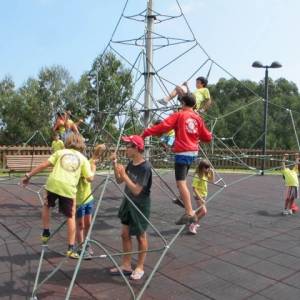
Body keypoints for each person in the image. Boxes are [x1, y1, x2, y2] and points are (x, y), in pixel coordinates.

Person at [141, 94, 212, 225]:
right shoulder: (197, 118)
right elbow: (207, 137)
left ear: (183, 103)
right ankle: (182, 198)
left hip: (183, 152)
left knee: (181, 183)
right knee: (183, 181)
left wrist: (146, 133)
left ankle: (189, 212)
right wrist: (202, 136)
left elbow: (163, 127)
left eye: (181, 102)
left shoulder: (180, 115)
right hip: (193, 153)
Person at [21, 133, 95, 259]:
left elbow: (44, 164)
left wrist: (29, 175)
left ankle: (45, 231)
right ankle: (70, 249)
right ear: (81, 144)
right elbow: (89, 178)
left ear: (67, 142)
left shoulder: (60, 152)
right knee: (70, 216)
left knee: (47, 205)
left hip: (53, 183)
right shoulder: (82, 159)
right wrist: (93, 168)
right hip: (68, 187)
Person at [109, 135, 152, 281]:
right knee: (124, 234)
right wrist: (115, 165)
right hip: (127, 202)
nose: (126, 149)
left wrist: (124, 174)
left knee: (140, 235)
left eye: (128, 146)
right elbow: (119, 180)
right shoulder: (130, 164)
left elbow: (136, 190)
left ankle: (140, 267)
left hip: (140, 204)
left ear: (137, 148)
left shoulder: (145, 167)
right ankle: (126, 265)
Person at [76, 144, 106, 259]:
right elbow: (90, 177)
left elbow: (94, 157)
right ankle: (80, 247)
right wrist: (93, 169)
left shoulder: (86, 163)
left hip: (88, 198)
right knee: (80, 224)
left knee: (88, 223)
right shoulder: (73, 167)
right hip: (78, 200)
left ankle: (86, 244)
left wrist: (100, 148)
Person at [189, 159, 214, 234]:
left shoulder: (205, 173)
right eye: (206, 168)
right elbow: (194, 188)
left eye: (208, 167)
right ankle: (193, 225)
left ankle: (191, 220)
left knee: (199, 211)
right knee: (204, 211)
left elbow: (211, 181)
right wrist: (200, 199)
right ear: (201, 167)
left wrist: (212, 173)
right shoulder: (197, 176)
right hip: (198, 196)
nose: (207, 169)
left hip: (203, 195)